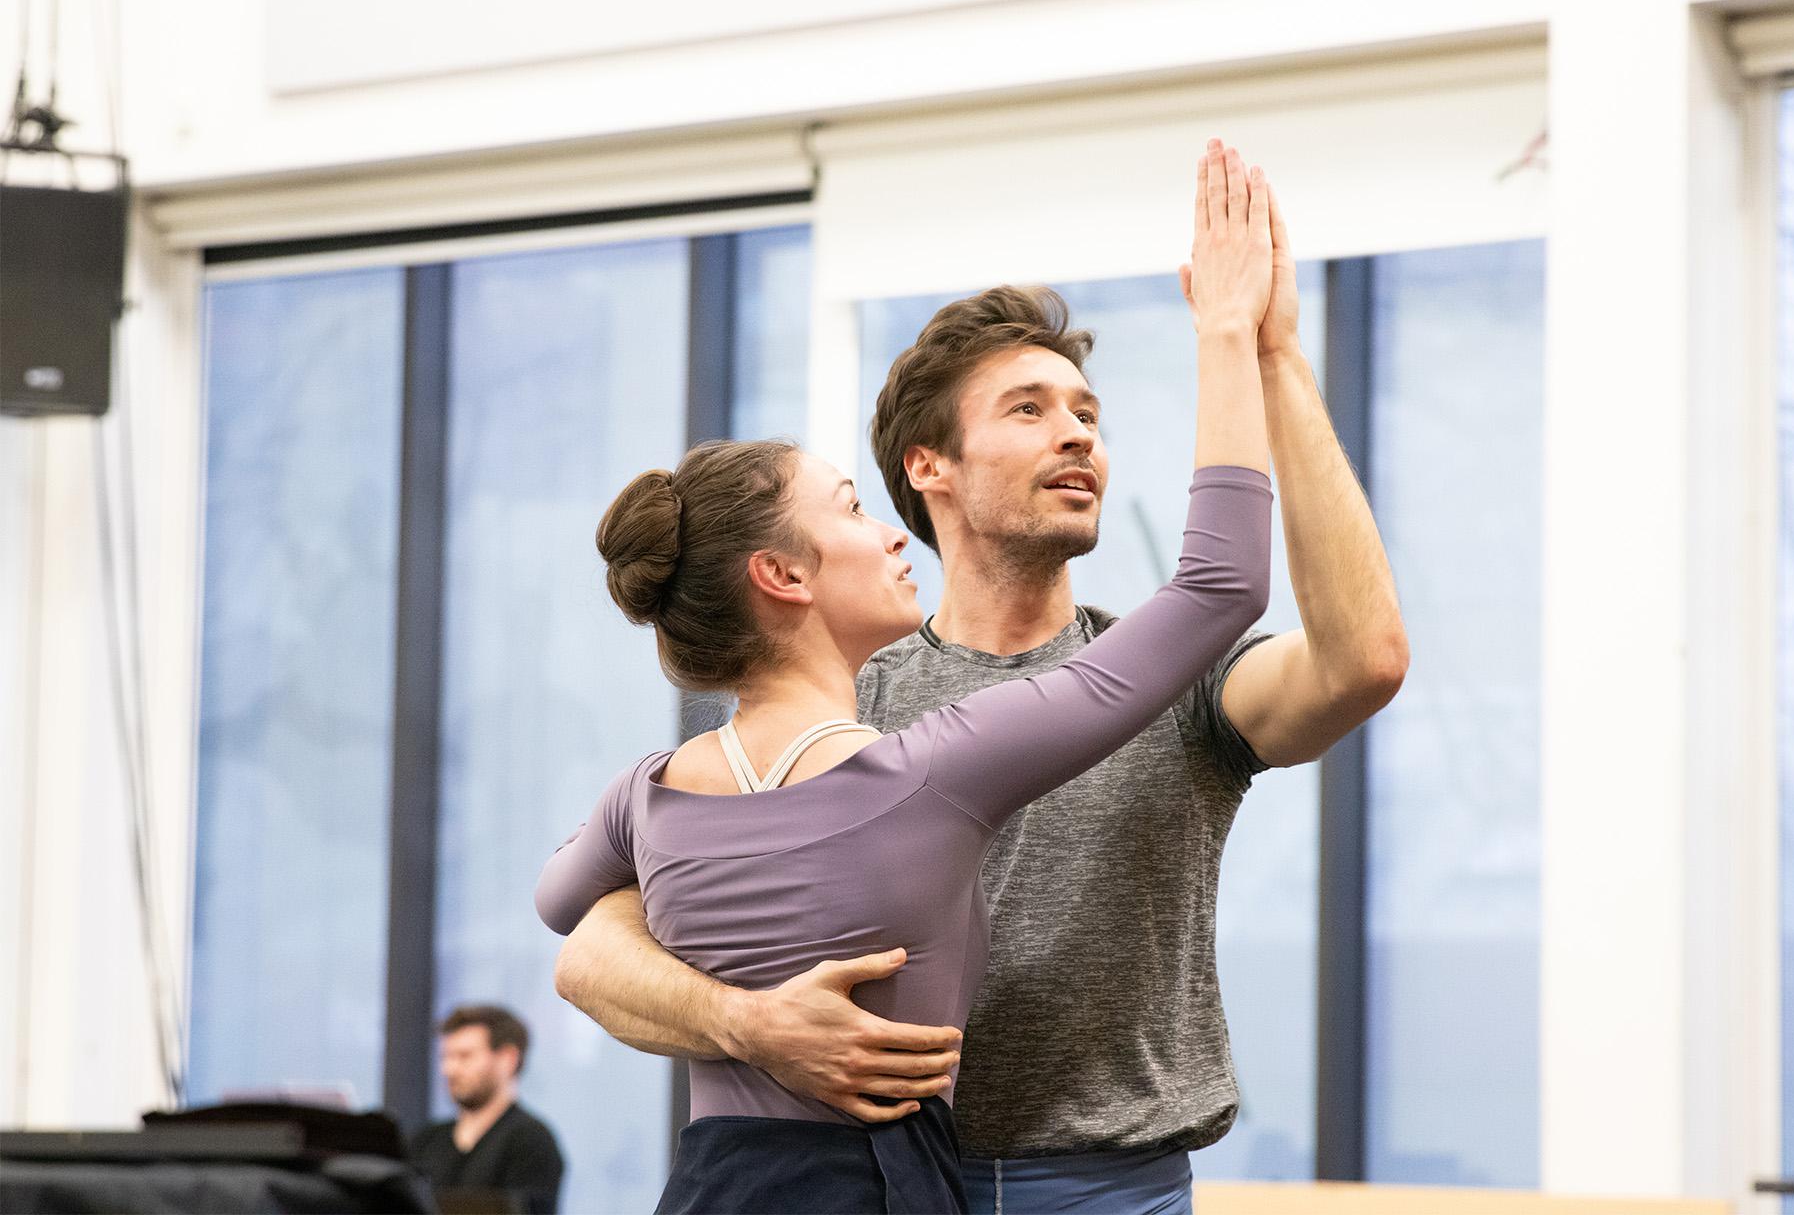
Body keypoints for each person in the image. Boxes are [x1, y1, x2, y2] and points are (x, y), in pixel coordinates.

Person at [551, 140, 1408, 1213]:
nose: (1078, 434)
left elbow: (1365, 658)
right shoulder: (831, 705)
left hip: (1111, 1187)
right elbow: (591, 946)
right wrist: (747, 1020)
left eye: (1088, 411)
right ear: (929, 465)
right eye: (1030, 409)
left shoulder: (1178, 685)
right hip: (887, 1179)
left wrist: (1274, 354)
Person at [409, 1005, 566, 1215]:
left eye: (465, 1056)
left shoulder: (531, 1141)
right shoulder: (426, 1140)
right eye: (446, 1057)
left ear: (508, 1059)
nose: (449, 1069)